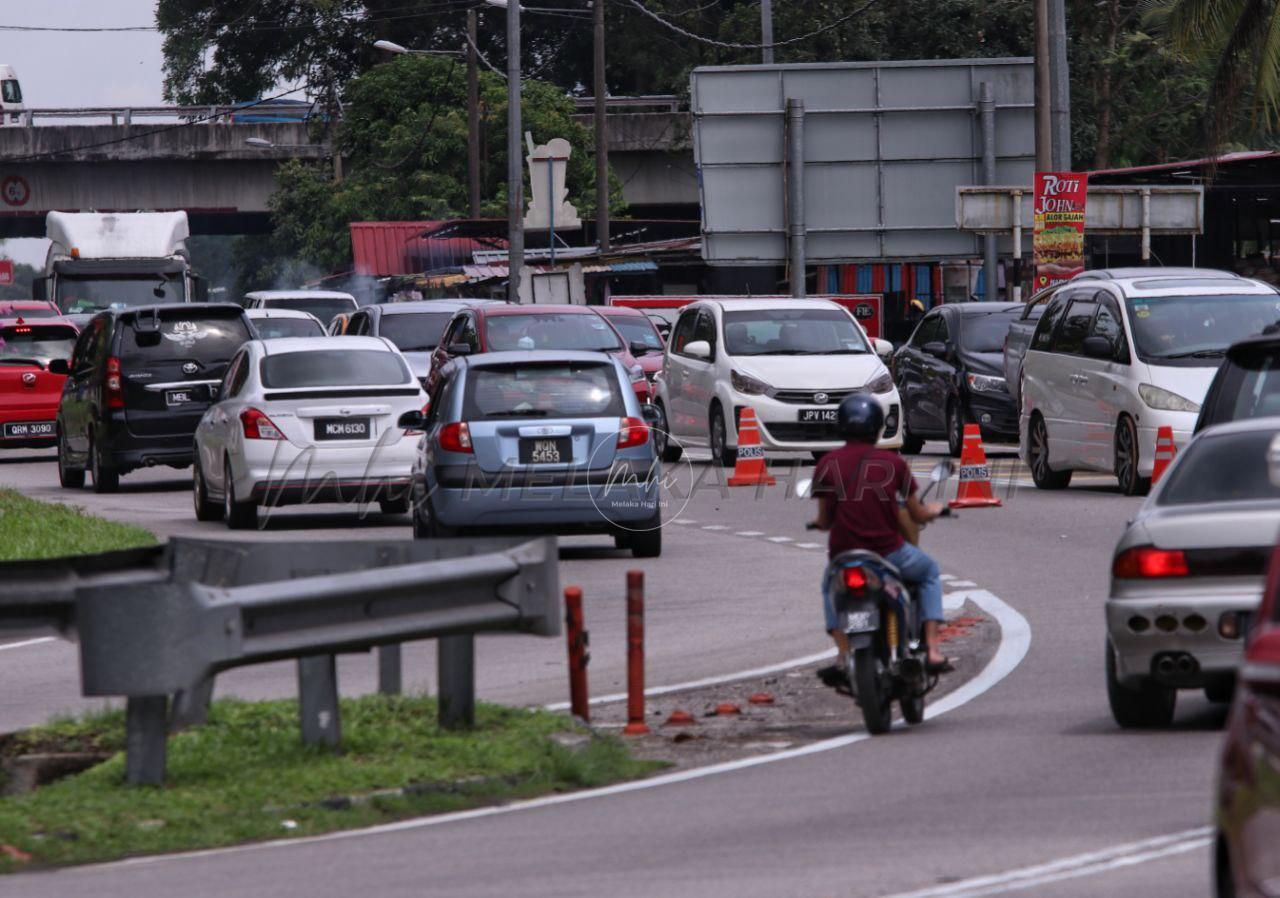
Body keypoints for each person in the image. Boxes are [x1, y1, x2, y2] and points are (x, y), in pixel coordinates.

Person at [808, 393, 952, 678]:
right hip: (889, 553)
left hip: (845, 556)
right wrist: (934, 510)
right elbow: (918, 514)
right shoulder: (893, 464)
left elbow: (825, 521)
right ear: (877, 427)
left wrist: (817, 524)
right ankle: (934, 650)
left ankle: (842, 653)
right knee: (929, 572)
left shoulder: (827, 464)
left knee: (829, 589)